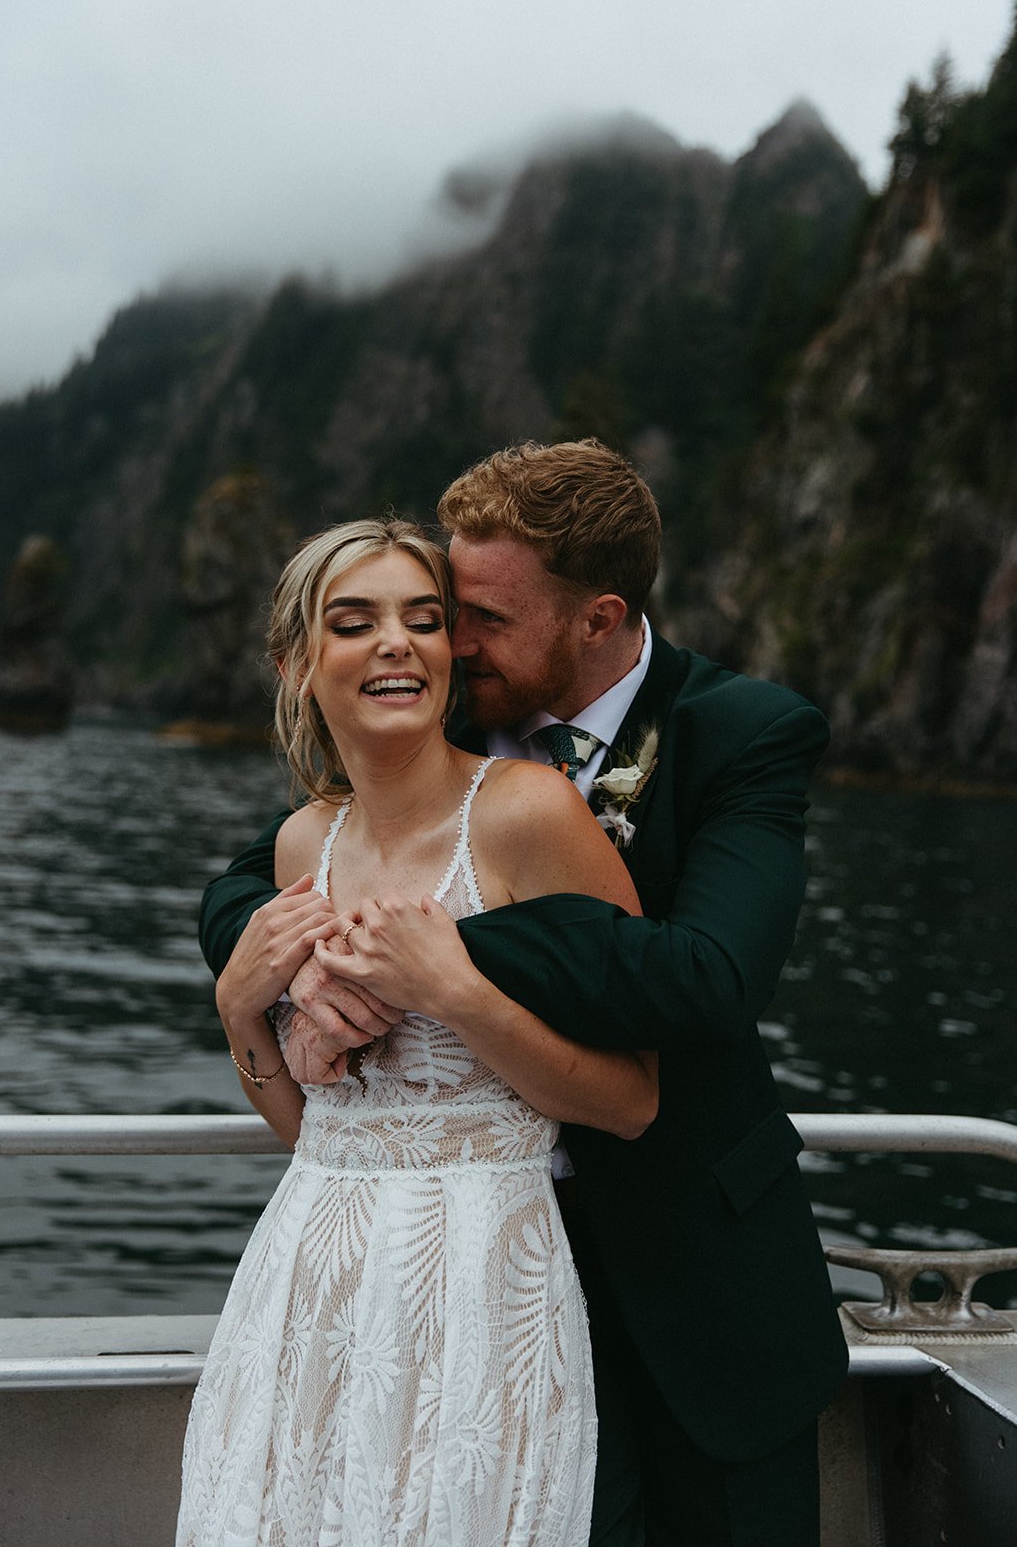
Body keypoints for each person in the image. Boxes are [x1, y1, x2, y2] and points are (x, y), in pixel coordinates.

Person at [199, 440, 850, 1547]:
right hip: (455, 1285)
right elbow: (246, 882)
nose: (443, 639)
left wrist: (443, 960)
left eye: (477, 617)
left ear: (594, 620)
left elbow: (708, 980)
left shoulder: (736, 733)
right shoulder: (436, 709)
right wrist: (297, 968)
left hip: (692, 1263)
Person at [177, 517, 657, 1547]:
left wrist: (454, 990)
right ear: (299, 665)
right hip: (306, 1278)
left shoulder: (528, 815)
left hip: (482, 1282)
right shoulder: (306, 839)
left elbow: (630, 1098)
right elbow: (316, 1133)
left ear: (449, 652)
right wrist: (239, 1009)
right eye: (354, 623)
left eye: (422, 619)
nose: (395, 642)